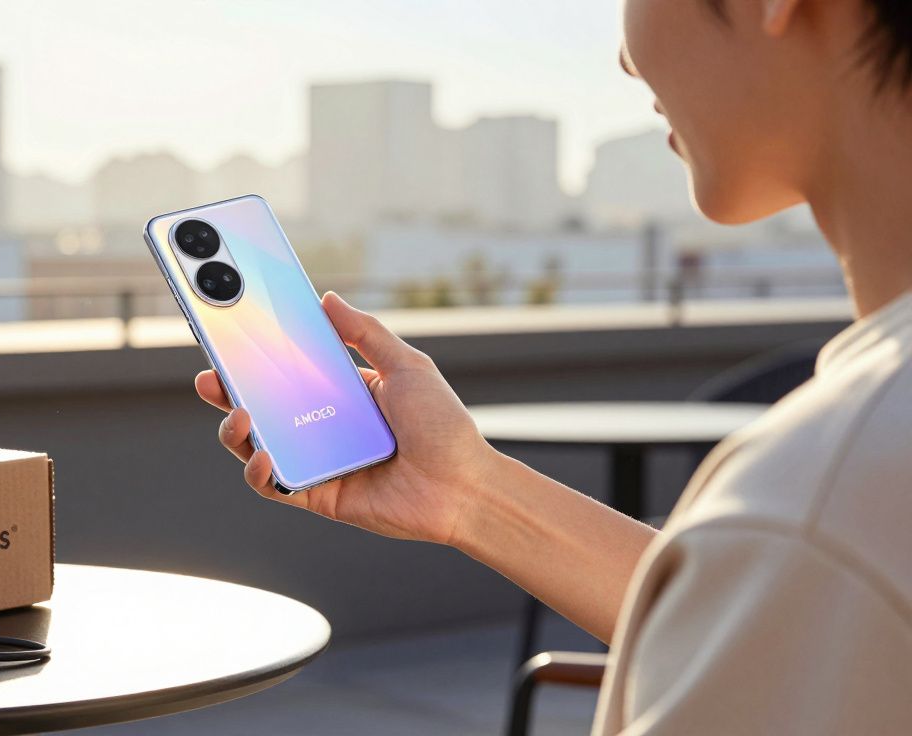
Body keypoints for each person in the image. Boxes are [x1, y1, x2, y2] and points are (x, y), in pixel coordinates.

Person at [196, 0, 912, 732]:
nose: (626, 59)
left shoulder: (831, 493)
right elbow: (775, 628)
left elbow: (807, 579)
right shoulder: (836, 512)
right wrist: (470, 495)